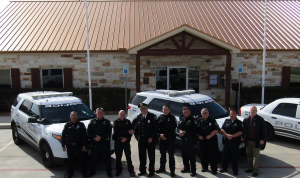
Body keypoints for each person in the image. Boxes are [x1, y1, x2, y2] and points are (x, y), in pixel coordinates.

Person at [133, 103, 158, 177]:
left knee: (151, 156)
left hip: (150, 140)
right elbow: (136, 127)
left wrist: (151, 137)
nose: (142, 110)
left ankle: (151, 171)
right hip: (141, 140)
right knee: (142, 156)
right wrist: (133, 131)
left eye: (144, 108)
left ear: (147, 108)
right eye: (141, 109)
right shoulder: (139, 117)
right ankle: (143, 170)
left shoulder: (152, 116)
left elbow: (155, 128)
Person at [87, 107, 113, 177]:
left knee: (106, 158)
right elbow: (89, 131)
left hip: (104, 143)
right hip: (95, 143)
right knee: (93, 158)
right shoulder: (92, 122)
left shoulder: (107, 122)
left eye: (101, 113)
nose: (99, 114)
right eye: (98, 113)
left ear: (103, 113)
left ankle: (109, 172)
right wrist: (94, 137)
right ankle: (92, 172)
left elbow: (108, 133)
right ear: (96, 113)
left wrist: (100, 137)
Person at [62, 111, 87, 178]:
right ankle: (70, 173)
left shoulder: (81, 125)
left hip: (79, 145)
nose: (74, 117)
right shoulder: (67, 125)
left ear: (77, 117)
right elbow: (63, 135)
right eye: (72, 115)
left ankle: (84, 173)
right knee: (70, 160)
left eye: (75, 115)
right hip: (70, 145)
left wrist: (84, 145)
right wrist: (63, 145)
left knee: (81, 160)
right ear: (70, 117)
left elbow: (85, 136)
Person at [242, 106, 266, 177]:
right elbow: (243, 130)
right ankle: (251, 168)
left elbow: (264, 131)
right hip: (248, 140)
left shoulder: (260, 120)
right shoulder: (246, 119)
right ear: (249, 111)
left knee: (256, 156)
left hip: (256, 141)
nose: (252, 111)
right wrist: (243, 137)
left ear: (256, 111)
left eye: (254, 110)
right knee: (249, 155)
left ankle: (255, 170)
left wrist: (262, 139)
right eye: (251, 110)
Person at [219, 108, 243, 176]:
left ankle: (235, 170)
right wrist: (226, 135)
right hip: (226, 142)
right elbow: (222, 129)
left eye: (233, 114)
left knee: (235, 157)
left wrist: (232, 136)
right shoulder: (227, 121)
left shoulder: (239, 123)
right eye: (230, 114)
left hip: (235, 142)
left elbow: (240, 132)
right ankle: (224, 168)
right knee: (225, 155)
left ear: (236, 114)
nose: (231, 115)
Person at [196, 108, 220, 175]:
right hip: (202, 141)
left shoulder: (212, 120)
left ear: (208, 113)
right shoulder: (199, 120)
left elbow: (217, 129)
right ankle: (204, 167)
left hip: (211, 141)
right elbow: (195, 130)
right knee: (203, 155)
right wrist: (198, 136)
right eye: (203, 113)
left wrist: (210, 135)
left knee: (212, 156)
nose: (204, 114)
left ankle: (214, 169)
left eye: (205, 113)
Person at [155, 105, 177, 177]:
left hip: (170, 139)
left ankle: (172, 171)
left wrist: (165, 135)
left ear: (169, 110)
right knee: (162, 155)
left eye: (167, 109)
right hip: (162, 139)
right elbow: (156, 127)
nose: (165, 110)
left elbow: (173, 129)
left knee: (171, 156)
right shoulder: (160, 117)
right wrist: (160, 135)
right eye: (164, 109)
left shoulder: (172, 118)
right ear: (162, 110)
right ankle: (162, 168)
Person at [113, 110, 135, 177]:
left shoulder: (128, 122)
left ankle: (131, 171)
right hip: (118, 142)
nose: (122, 115)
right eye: (121, 114)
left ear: (125, 115)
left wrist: (126, 138)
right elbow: (117, 132)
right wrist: (128, 131)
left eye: (123, 114)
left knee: (128, 157)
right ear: (118, 114)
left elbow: (132, 132)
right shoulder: (115, 122)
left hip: (126, 142)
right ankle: (118, 171)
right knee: (118, 158)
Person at [177, 107, 197, 177]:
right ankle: (186, 168)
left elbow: (194, 131)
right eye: (184, 112)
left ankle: (193, 171)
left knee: (191, 156)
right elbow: (178, 127)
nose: (185, 113)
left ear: (190, 112)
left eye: (186, 112)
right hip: (183, 140)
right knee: (184, 155)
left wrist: (185, 132)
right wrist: (180, 131)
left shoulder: (193, 120)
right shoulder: (182, 118)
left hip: (190, 140)